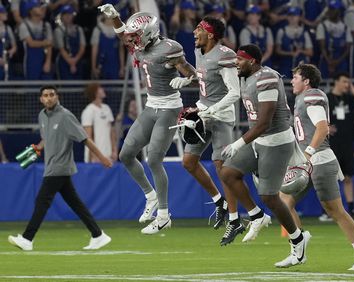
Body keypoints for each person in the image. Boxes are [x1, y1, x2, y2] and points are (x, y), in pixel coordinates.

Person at [170, 17, 270, 246]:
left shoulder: (225, 55)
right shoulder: (200, 51)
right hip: (204, 112)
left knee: (221, 166)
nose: (194, 31)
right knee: (188, 161)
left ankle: (234, 219)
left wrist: (212, 109)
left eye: (199, 29)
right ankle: (219, 202)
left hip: (221, 116)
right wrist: (188, 79)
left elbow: (234, 92)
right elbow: (205, 77)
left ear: (211, 34)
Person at [99, 4, 197, 234]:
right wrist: (115, 17)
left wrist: (186, 80)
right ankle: (150, 196)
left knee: (153, 159)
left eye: (136, 36)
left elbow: (192, 73)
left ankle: (163, 215)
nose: (131, 40)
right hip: (151, 106)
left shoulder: (169, 49)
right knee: (126, 154)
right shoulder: (141, 46)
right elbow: (123, 33)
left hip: (169, 108)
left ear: (148, 33)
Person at [220, 44, 311, 268]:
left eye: (239, 60)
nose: (236, 64)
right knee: (228, 172)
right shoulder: (245, 77)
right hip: (259, 141)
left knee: (270, 196)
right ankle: (256, 215)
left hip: (277, 141)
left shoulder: (267, 77)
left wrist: (239, 142)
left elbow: (264, 122)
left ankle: (298, 242)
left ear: (252, 61)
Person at [281, 63, 354, 270]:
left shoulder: (312, 96)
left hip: (319, 159)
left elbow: (323, 129)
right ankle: (298, 246)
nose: (292, 80)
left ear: (306, 81)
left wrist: (307, 154)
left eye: (295, 77)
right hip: (307, 161)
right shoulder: (301, 98)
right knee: (283, 202)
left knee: (335, 210)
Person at [7, 85, 113, 251]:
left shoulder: (65, 116)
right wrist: (39, 148)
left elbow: (84, 138)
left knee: (42, 201)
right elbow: (47, 138)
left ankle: (27, 239)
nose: (48, 98)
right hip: (51, 165)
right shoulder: (42, 116)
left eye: (51, 95)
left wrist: (102, 158)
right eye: (45, 95)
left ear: (57, 97)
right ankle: (98, 235)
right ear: (41, 99)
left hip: (60, 166)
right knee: (75, 203)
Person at [328, 71, 354, 220]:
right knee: (330, 178)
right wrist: (326, 127)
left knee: (348, 177)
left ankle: (351, 209)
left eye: (348, 82)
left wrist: (352, 89)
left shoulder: (349, 98)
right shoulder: (327, 99)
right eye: (344, 81)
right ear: (336, 81)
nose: (346, 84)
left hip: (348, 142)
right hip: (331, 143)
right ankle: (330, 209)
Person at [81, 83, 117, 163]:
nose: (102, 89)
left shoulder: (107, 108)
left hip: (109, 155)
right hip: (95, 158)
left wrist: (114, 151)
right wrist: (94, 156)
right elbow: (88, 137)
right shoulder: (88, 111)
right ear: (95, 93)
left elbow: (112, 132)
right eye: (100, 88)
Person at [18, 0, 53, 80]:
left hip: (44, 60)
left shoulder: (46, 25)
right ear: (30, 11)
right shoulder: (24, 25)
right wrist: (45, 42)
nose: (41, 8)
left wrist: (48, 61)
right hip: (30, 62)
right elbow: (31, 43)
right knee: (32, 88)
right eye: (37, 7)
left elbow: (50, 45)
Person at [54, 5, 86, 80]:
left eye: (70, 14)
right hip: (64, 61)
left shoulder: (79, 29)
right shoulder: (58, 30)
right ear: (61, 16)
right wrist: (71, 62)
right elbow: (61, 48)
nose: (68, 16)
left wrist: (75, 60)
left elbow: (82, 47)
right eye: (65, 14)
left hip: (78, 60)